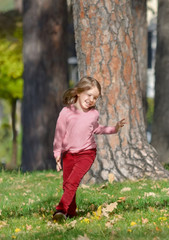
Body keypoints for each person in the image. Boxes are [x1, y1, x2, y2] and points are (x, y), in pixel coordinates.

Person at [52, 76, 126, 222]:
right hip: (68, 154)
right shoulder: (66, 112)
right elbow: (59, 133)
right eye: (89, 95)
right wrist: (57, 152)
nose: (92, 99)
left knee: (72, 182)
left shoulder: (94, 114)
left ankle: (60, 210)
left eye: (95, 97)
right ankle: (71, 212)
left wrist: (114, 129)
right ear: (78, 92)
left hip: (87, 153)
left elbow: (96, 128)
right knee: (67, 184)